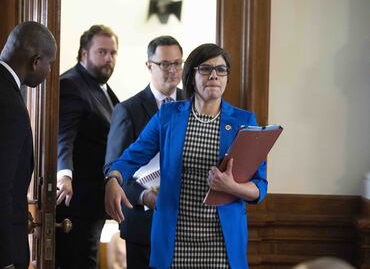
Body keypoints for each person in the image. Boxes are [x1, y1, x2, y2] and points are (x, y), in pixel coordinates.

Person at [104, 43, 267, 269]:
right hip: (175, 239)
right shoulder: (169, 116)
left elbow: (260, 186)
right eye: (206, 69)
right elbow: (132, 156)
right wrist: (113, 178)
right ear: (191, 76)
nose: (214, 76)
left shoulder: (244, 122)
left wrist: (231, 186)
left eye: (221, 70)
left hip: (220, 242)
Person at [0, 21, 56, 269]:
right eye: (49, 64)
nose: (49, 71)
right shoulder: (7, 104)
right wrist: (2, 259)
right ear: (35, 61)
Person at [105, 35, 183, 268]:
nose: (172, 70)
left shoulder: (194, 104)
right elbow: (113, 168)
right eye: (165, 64)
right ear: (149, 66)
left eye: (177, 63)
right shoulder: (127, 110)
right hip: (143, 223)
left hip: (186, 224)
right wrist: (145, 196)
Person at [56, 25, 119, 268]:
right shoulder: (72, 85)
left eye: (113, 53)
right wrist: (64, 174)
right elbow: (64, 136)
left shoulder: (101, 88)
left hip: (94, 203)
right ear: (84, 53)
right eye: (102, 52)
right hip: (77, 203)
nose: (108, 59)